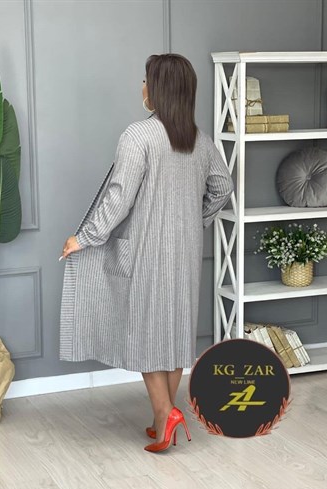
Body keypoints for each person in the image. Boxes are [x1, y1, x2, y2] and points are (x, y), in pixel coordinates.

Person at [60, 53, 234, 453]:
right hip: (185, 252)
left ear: (157, 90)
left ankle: (165, 415)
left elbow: (119, 197)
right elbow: (223, 187)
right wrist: (196, 220)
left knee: (143, 333)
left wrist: (84, 237)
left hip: (146, 251)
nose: (141, 87)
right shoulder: (199, 140)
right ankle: (163, 418)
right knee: (172, 333)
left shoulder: (138, 135)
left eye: (145, 81)